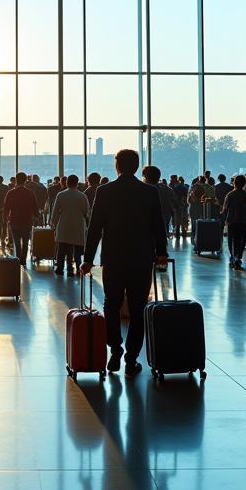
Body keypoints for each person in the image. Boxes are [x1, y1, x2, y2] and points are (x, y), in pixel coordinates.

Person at [80, 149, 168, 377]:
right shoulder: (149, 192)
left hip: (113, 258)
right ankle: (131, 359)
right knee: (138, 309)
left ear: (117, 167)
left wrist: (88, 259)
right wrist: (161, 252)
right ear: (137, 167)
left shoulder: (105, 191)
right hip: (141, 258)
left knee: (111, 304)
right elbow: (158, 224)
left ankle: (115, 349)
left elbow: (95, 228)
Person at [51, 173, 90, 276]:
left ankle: (60, 268)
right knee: (77, 249)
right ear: (77, 183)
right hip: (78, 225)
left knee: (62, 248)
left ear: (67, 183)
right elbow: (87, 212)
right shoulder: (82, 196)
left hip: (64, 224)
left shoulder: (61, 195)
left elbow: (55, 211)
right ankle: (77, 268)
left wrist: (53, 223)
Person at [4, 172, 37, 266]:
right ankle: (23, 260)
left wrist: (7, 218)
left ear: (16, 180)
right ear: (26, 180)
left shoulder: (11, 192)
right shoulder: (30, 192)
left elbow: (6, 207)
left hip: (14, 220)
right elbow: (35, 206)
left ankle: (18, 259)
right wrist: (36, 217)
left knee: (17, 242)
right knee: (26, 242)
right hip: (27, 221)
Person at [222, 174, 246, 270]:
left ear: (234, 183)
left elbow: (225, 209)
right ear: (244, 183)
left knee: (232, 240)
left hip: (232, 221)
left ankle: (232, 257)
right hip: (243, 221)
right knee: (241, 240)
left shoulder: (230, 194)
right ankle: (238, 258)